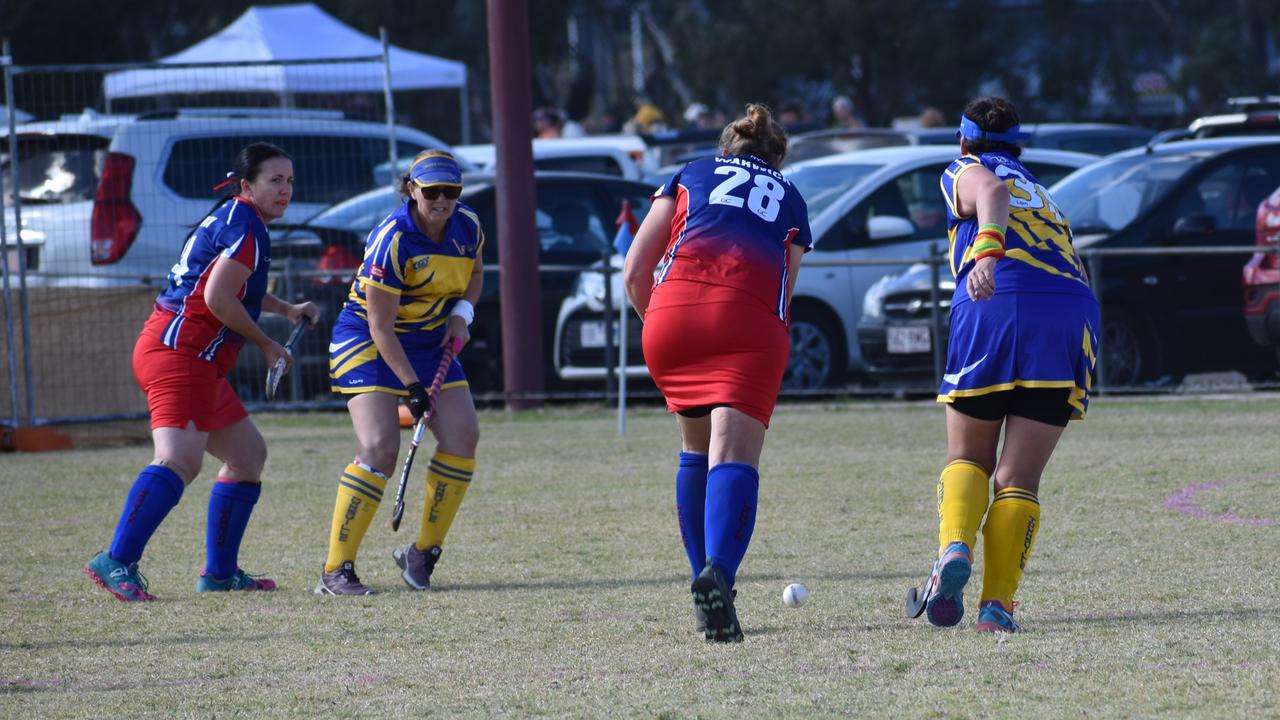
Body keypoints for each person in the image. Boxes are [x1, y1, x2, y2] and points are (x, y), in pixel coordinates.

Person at [84, 142, 320, 601]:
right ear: (246, 184)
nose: (285, 189)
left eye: (289, 181)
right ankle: (116, 559)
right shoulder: (247, 227)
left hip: (189, 355)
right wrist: (267, 343)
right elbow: (217, 298)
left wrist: (285, 308)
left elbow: (231, 287)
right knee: (178, 460)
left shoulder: (239, 219)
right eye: (275, 180)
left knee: (248, 455)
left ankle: (219, 574)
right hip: (180, 353)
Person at [622, 103, 812, 642]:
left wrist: (660, 319)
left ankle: (701, 585)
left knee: (695, 451)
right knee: (732, 456)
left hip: (671, 316)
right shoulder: (790, 195)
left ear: (726, 148)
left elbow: (635, 269)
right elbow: (785, 285)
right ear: (777, 156)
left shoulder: (688, 174)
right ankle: (719, 578)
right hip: (747, 320)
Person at [919, 96, 1100, 633]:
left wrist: (989, 252)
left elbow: (990, 194)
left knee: (969, 458)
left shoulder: (966, 170)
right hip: (1069, 313)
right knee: (1019, 478)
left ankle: (954, 548)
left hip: (996, 301)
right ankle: (997, 607)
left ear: (962, 141)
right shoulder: (1043, 194)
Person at [317, 149, 484, 596]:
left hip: (430, 339)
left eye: (451, 191)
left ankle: (421, 555)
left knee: (463, 435)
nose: (443, 200)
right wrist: (412, 388)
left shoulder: (468, 226)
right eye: (432, 191)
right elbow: (379, 326)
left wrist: (461, 316)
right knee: (378, 447)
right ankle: (336, 570)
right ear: (412, 189)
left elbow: (474, 274)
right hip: (369, 341)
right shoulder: (394, 238)